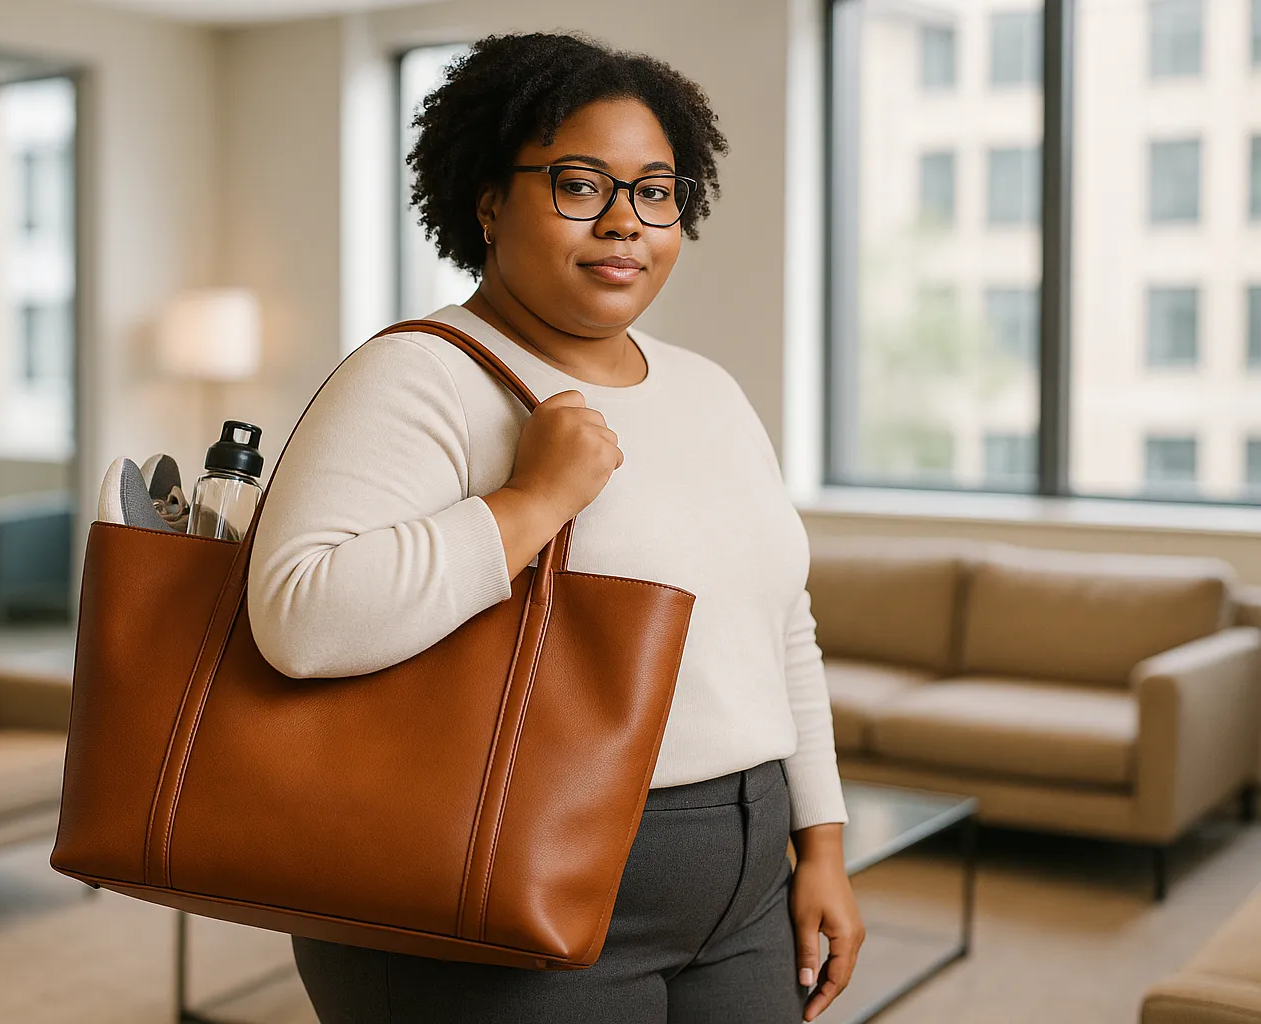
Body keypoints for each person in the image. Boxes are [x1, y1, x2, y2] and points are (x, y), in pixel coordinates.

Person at [246, 30, 864, 1024]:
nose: (626, 223)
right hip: (499, 880)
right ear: (489, 200)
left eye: (655, 192)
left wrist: (821, 843)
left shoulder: (710, 390)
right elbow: (299, 615)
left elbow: (780, 626)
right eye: (581, 185)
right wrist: (530, 505)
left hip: (741, 891)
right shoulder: (421, 375)